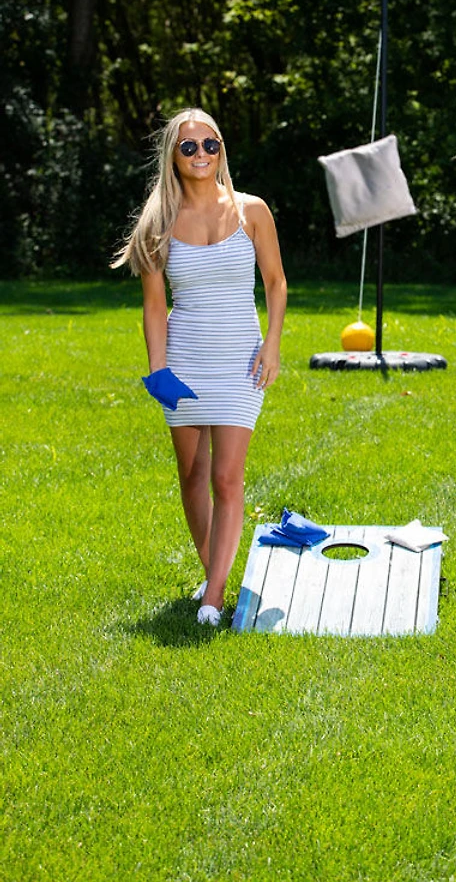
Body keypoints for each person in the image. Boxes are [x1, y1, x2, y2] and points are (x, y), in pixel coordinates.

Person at [113, 108, 287, 627]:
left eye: (210, 144)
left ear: (221, 150)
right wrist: (158, 369)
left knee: (226, 477)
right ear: (173, 156)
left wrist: (272, 344)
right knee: (192, 475)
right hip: (184, 359)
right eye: (189, 147)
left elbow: (276, 283)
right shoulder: (157, 223)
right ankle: (214, 570)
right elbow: (153, 306)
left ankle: (213, 595)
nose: (201, 154)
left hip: (241, 360)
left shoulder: (252, 210)